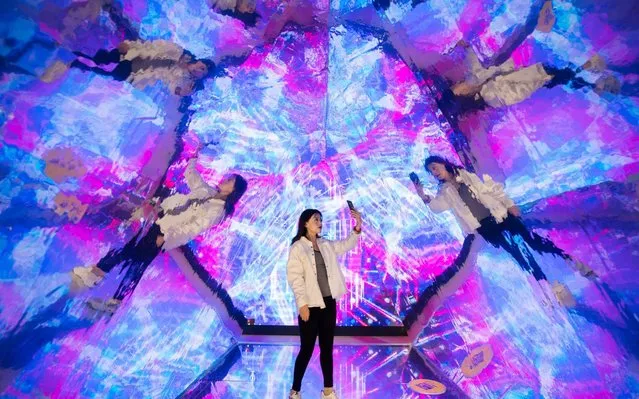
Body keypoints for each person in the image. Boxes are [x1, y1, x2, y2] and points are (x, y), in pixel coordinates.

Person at [71, 150, 247, 313]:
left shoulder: (218, 210)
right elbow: (192, 176)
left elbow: (193, 229)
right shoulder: (207, 192)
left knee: (130, 257)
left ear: (234, 190)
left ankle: (97, 279)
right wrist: (194, 157)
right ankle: (110, 297)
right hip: (159, 223)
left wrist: (166, 237)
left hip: (164, 233)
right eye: (228, 177)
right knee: (134, 261)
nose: (225, 179)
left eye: (230, 180)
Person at [412, 155, 597, 303]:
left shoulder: (465, 175)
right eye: (430, 171)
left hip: (500, 214)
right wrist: (422, 194)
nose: (434, 172)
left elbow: (490, 190)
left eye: (435, 167)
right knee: (518, 253)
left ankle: (569, 258)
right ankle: (547, 288)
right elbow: (437, 207)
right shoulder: (444, 190)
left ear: (443, 164)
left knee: (532, 241)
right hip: (485, 227)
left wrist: (509, 204)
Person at [286, 207, 363, 399]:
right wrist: (302, 304)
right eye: (315, 219)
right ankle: (295, 390)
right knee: (307, 349)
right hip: (310, 305)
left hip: (329, 304)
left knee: (327, 348)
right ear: (305, 223)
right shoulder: (298, 247)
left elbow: (346, 245)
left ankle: (328, 390)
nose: (320, 223)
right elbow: (295, 277)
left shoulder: (326, 244)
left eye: (320, 219)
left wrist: (357, 227)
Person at [449, 40, 619, 110]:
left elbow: (482, 65)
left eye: (460, 83)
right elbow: (521, 89)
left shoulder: (482, 82)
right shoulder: (492, 96)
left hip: (535, 63)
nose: (463, 83)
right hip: (541, 72)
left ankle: (598, 76)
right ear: (468, 96)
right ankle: (601, 83)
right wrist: (542, 73)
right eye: (462, 89)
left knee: (572, 68)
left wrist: (467, 48)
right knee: (571, 72)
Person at [44, 39, 213, 96]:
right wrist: (131, 45)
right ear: (200, 61)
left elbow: (172, 86)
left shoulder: (182, 78)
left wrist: (181, 92)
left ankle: (72, 61)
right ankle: (65, 48)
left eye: (202, 73)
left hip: (134, 71)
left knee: (102, 69)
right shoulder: (180, 52)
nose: (200, 70)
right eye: (203, 67)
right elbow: (155, 46)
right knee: (100, 58)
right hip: (133, 54)